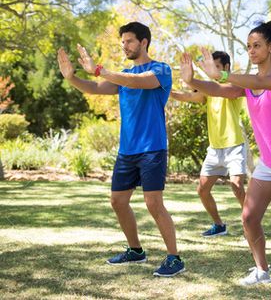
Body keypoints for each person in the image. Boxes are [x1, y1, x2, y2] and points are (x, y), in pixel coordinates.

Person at [180, 21, 271, 296]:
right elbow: (217, 90)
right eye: (248, 46)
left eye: (257, 45)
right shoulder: (245, 85)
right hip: (269, 163)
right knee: (249, 217)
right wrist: (192, 80)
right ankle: (262, 271)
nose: (251, 50)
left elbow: (260, 81)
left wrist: (222, 75)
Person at [56, 22, 185, 277]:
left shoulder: (160, 70)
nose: (124, 46)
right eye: (122, 42)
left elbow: (138, 81)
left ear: (143, 42)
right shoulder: (122, 76)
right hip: (127, 150)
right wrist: (71, 77)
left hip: (152, 148)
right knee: (117, 201)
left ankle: (174, 258)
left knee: (153, 203)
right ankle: (136, 250)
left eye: (128, 41)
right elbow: (94, 88)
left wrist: (101, 69)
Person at [170, 51, 246, 237]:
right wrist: (166, 91)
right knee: (202, 190)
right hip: (214, 150)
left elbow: (218, 88)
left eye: (217, 67)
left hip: (234, 146)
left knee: (236, 185)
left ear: (226, 68)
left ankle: (251, 222)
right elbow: (188, 97)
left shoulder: (235, 86)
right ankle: (219, 225)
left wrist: (193, 80)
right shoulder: (208, 92)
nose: (213, 70)